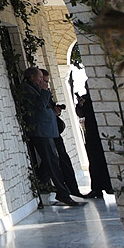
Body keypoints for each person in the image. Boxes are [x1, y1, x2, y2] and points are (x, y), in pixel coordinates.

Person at [21, 66, 84, 206]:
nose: (41, 80)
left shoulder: (37, 89)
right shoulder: (27, 89)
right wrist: (44, 91)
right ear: (32, 77)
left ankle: (45, 186)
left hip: (48, 131)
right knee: (52, 162)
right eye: (39, 78)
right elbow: (39, 106)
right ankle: (62, 193)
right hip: (41, 131)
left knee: (52, 162)